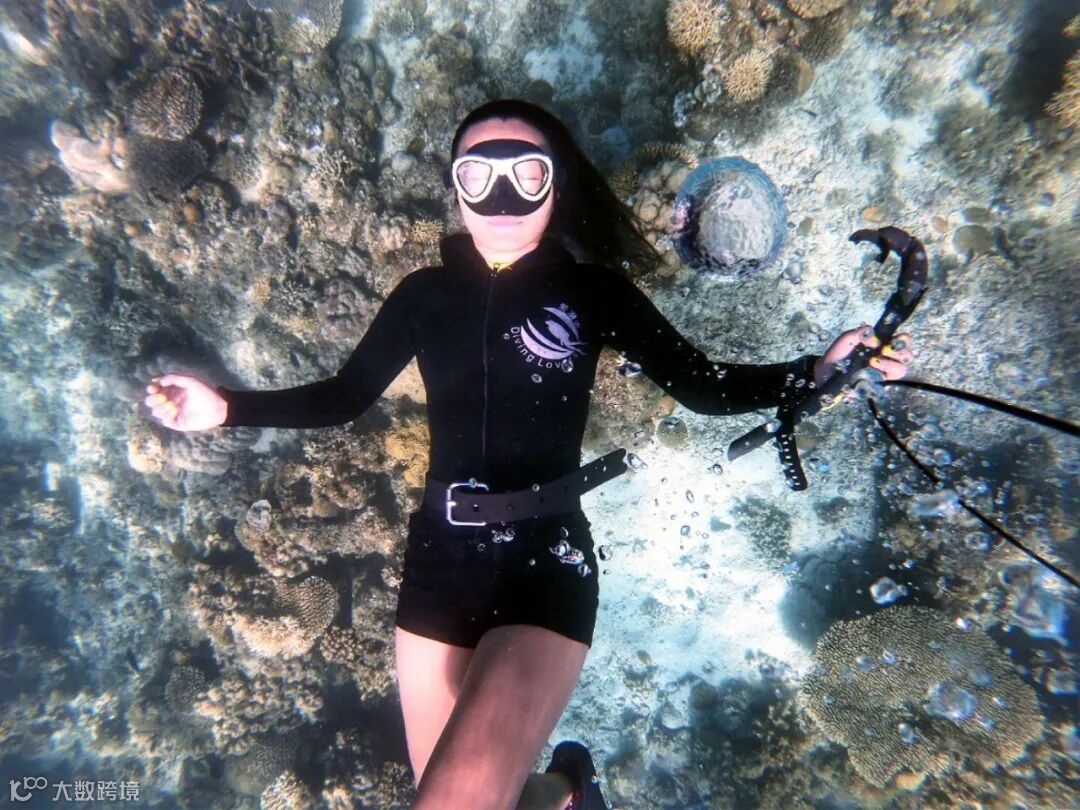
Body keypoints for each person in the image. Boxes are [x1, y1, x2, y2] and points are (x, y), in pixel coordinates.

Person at [143, 99, 914, 810]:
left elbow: (701, 388)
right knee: (471, 794)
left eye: (527, 173)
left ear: (557, 185)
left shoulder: (594, 292)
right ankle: (567, 790)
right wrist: (227, 408)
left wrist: (814, 372)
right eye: (478, 175)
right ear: (455, 186)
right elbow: (344, 397)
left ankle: (563, 786)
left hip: (546, 563)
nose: (503, 196)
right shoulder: (422, 295)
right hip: (438, 560)